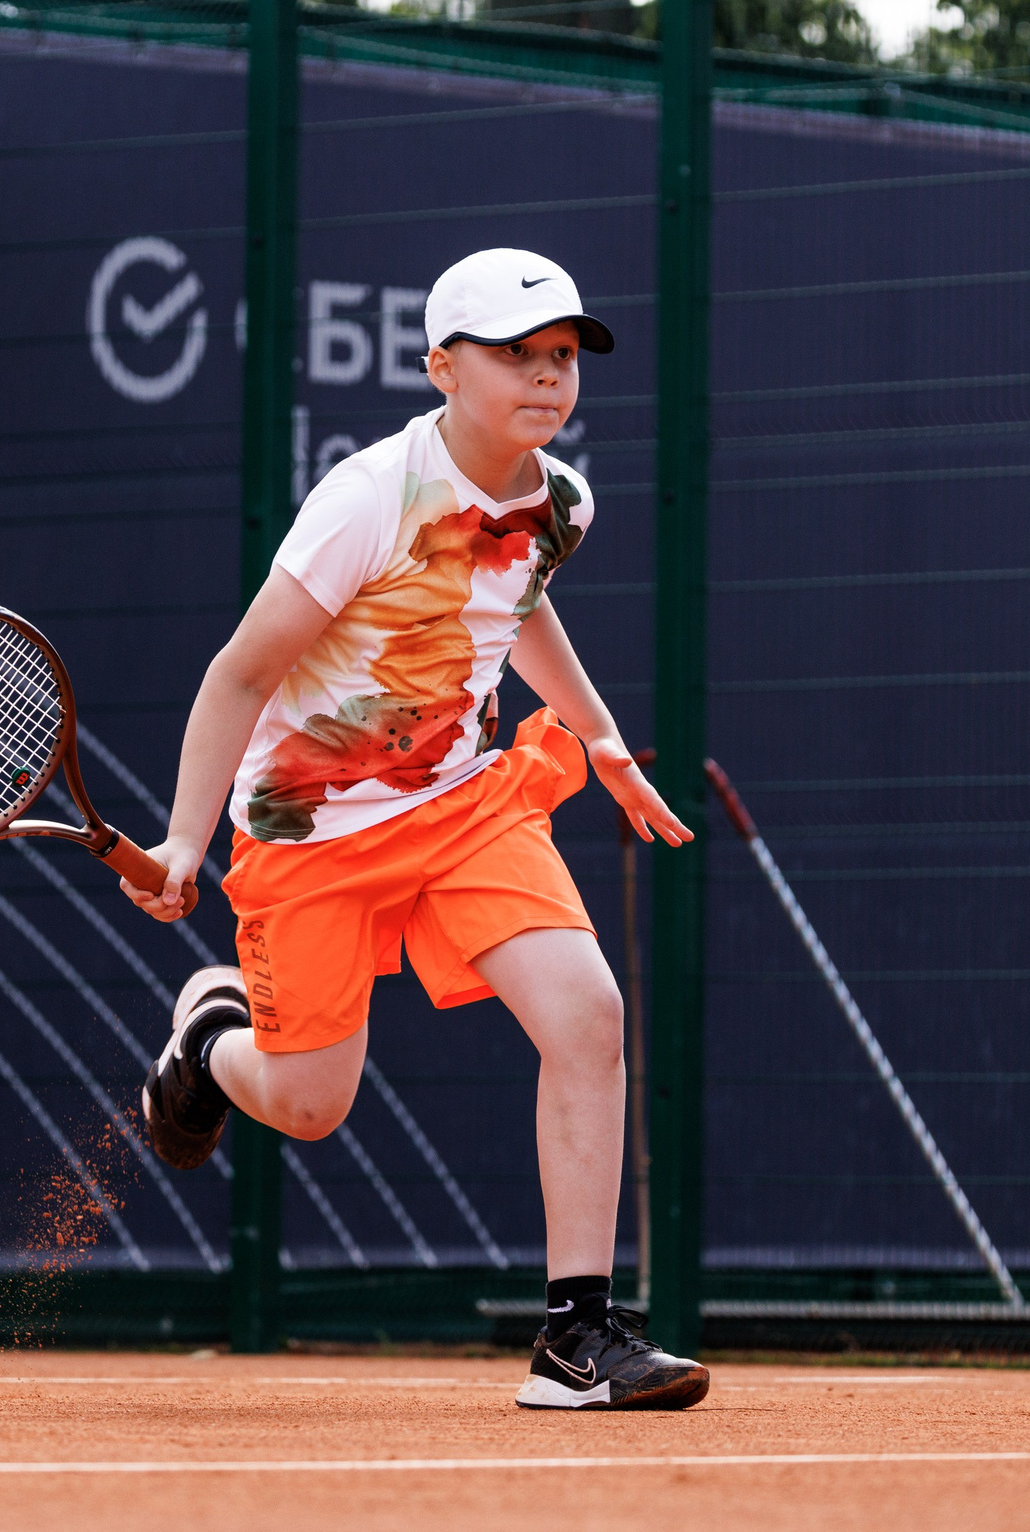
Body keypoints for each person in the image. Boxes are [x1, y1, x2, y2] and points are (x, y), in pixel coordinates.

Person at [124, 248, 707, 1412]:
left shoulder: (563, 501)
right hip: (307, 828)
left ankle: (575, 1340)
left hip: (463, 805)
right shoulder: (366, 501)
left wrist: (593, 738)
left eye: (561, 359)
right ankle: (205, 1043)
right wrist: (186, 841)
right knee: (308, 1104)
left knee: (587, 1014)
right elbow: (240, 675)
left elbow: (518, 601)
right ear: (440, 366)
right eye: (515, 356)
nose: (546, 379)